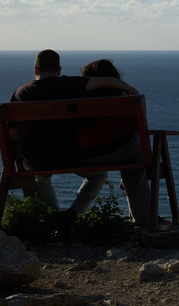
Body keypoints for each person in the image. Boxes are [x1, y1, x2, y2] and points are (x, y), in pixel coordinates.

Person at [11, 50, 154, 234]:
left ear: (35, 68)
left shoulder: (18, 94)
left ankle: (51, 219)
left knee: (40, 176)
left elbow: (13, 136)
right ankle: (74, 214)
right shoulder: (69, 85)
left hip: (37, 160)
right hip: (70, 155)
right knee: (108, 172)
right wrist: (128, 89)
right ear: (59, 69)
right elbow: (106, 82)